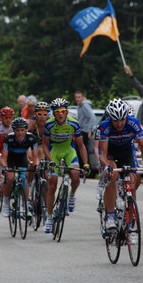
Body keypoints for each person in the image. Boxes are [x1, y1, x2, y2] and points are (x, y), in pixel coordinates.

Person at [98, 99, 143, 236]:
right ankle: (110, 215)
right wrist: (106, 166)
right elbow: (103, 153)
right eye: (116, 120)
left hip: (127, 153)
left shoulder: (133, 123)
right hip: (110, 154)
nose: (120, 123)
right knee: (113, 176)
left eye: (122, 119)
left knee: (133, 184)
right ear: (110, 118)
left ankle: (130, 216)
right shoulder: (105, 126)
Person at [42, 98, 89, 233]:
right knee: (52, 185)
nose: (60, 114)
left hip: (69, 150)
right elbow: (44, 145)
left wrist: (85, 163)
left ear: (67, 112)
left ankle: (72, 195)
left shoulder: (74, 123)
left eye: (63, 111)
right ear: (54, 113)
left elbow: (81, 145)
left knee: (75, 175)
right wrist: (50, 160)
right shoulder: (49, 124)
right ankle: (49, 218)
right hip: (54, 152)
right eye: (57, 112)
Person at [0, 118, 39, 217]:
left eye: (22, 130)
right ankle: (5, 203)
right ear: (14, 131)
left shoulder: (32, 138)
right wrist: (5, 167)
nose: (20, 133)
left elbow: (35, 156)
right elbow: (3, 158)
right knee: (10, 178)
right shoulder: (8, 139)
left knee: (24, 179)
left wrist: (36, 166)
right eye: (17, 130)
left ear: (26, 130)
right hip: (10, 159)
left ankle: (26, 206)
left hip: (22, 158)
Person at [74, 91, 96, 168]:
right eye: (76, 97)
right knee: (79, 149)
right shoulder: (80, 106)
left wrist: (90, 130)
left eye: (79, 97)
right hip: (81, 130)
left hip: (85, 131)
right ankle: (82, 167)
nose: (77, 99)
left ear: (83, 97)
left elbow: (92, 117)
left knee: (81, 149)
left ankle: (84, 167)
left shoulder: (85, 105)